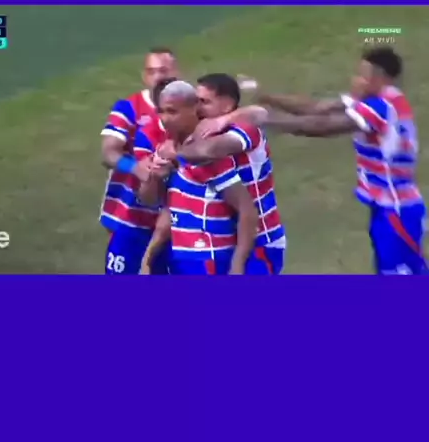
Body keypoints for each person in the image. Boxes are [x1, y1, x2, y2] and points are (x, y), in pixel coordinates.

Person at [196, 48, 427, 276]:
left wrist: (264, 118)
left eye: (362, 75)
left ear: (379, 79)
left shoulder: (380, 107)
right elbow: (315, 108)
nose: (355, 80)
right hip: (390, 207)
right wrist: (264, 96)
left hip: (396, 209)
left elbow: (319, 126)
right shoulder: (380, 99)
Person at [158, 73, 286, 274]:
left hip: (263, 239)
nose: (198, 108)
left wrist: (176, 152)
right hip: (235, 239)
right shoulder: (207, 133)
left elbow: (210, 150)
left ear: (227, 105)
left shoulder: (245, 129)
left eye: (204, 102)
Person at [139, 81, 258, 275]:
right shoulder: (167, 149)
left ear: (193, 108)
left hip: (210, 258)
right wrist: (147, 258)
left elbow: (247, 210)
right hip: (181, 257)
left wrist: (237, 266)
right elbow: (155, 203)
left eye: (172, 112)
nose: (165, 119)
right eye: (161, 112)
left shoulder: (207, 154)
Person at [99, 48, 179, 275]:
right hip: (131, 216)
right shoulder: (129, 108)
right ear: (144, 76)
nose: (158, 77)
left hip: (176, 220)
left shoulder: (189, 107)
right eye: (151, 72)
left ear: (176, 72)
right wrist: (134, 167)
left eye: (163, 70)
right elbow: (108, 152)